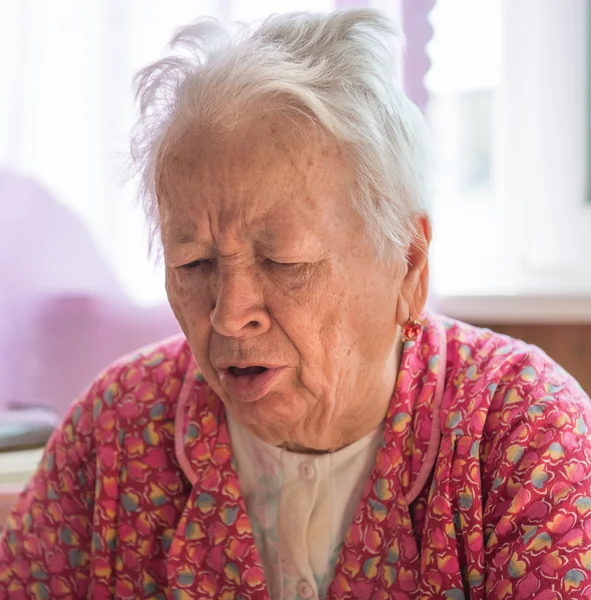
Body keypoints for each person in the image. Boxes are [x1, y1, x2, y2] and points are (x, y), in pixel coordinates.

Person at [1, 8, 590, 600]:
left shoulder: (522, 431)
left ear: (407, 264)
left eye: (284, 262)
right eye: (192, 263)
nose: (229, 315)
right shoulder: (115, 432)